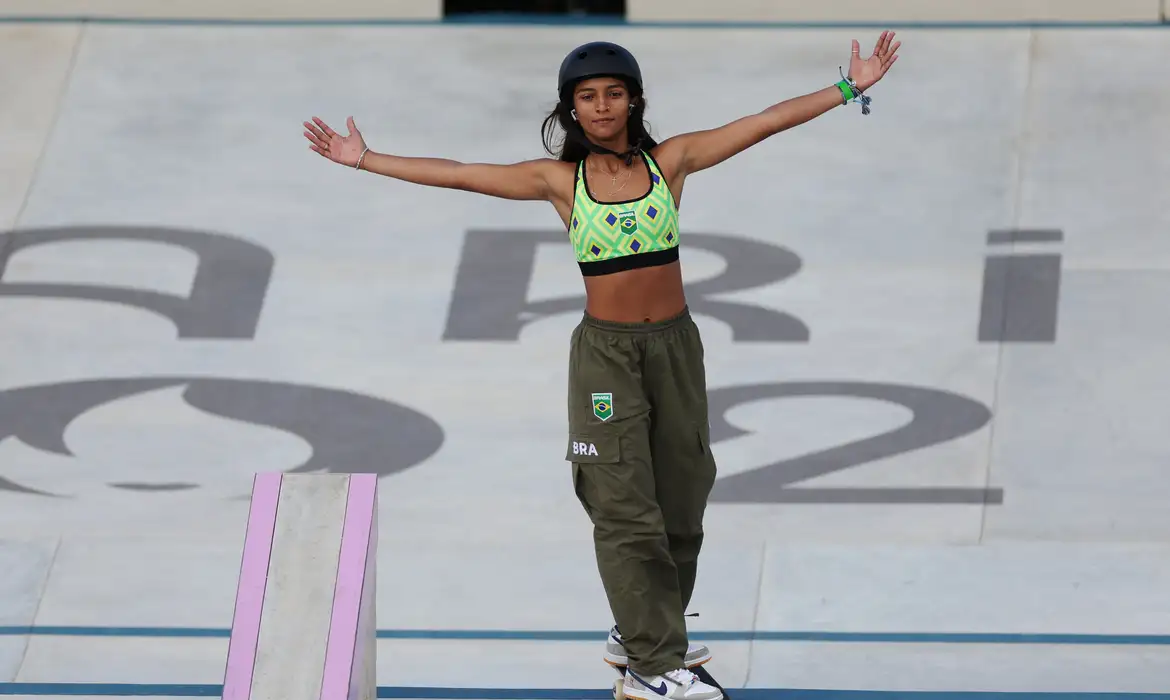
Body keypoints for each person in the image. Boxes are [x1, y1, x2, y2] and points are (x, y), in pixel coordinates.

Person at [303, 31, 900, 700]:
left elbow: (763, 122)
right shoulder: (559, 181)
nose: (603, 106)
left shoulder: (671, 163)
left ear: (635, 99)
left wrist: (851, 87)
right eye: (588, 97)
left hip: (675, 348)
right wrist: (366, 159)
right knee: (623, 509)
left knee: (684, 497)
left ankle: (640, 629)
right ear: (570, 111)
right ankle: (651, 667)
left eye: (614, 93)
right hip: (606, 358)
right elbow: (459, 172)